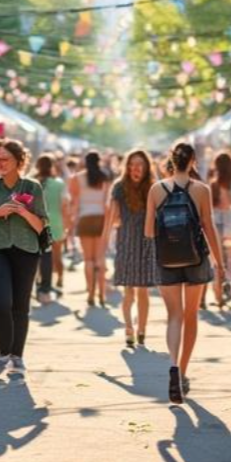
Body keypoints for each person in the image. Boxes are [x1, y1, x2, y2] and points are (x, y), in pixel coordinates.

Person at [145, 142, 226, 405]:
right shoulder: (202, 189)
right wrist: (220, 262)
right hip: (196, 260)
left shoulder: (156, 189)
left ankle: (172, 367)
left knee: (174, 317)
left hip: (166, 260)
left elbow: (148, 232)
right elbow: (209, 228)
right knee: (190, 316)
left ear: (171, 160)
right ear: (193, 161)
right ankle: (183, 372)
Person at [0, 138, 47, 377]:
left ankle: (17, 357)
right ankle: (3, 353)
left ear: (19, 161)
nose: (1, 163)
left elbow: (41, 226)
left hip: (27, 251)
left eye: (5, 159)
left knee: (20, 306)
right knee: (2, 303)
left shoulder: (32, 187)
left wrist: (23, 212)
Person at [103, 149, 158, 348]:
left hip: (146, 243)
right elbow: (112, 216)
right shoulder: (119, 187)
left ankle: (142, 330)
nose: (136, 169)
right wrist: (103, 244)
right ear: (126, 167)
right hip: (126, 242)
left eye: (140, 165)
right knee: (128, 291)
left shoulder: (153, 187)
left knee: (143, 291)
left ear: (146, 167)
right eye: (132, 165)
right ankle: (129, 329)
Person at [70, 151, 110, 307]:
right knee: (100, 258)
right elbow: (106, 202)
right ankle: (102, 294)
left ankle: (90, 293)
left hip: (85, 218)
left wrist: (73, 222)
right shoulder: (104, 177)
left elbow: (75, 203)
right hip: (101, 218)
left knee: (88, 260)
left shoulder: (76, 178)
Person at [208, 151, 231, 310]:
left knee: (218, 264)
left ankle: (219, 298)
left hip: (217, 224)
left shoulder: (213, 185)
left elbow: (210, 207)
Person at [34, 154, 68, 301]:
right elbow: (64, 206)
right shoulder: (59, 184)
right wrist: (67, 224)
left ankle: (41, 283)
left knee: (40, 256)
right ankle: (58, 281)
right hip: (55, 221)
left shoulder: (33, 183)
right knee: (56, 255)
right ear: (52, 166)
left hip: (36, 223)